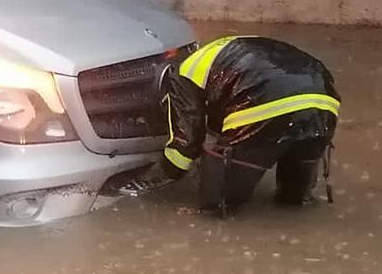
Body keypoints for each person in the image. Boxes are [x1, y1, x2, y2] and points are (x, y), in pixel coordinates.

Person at [129, 35, 341, 214]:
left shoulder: (181, 74)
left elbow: (186, 144)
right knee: (294, 201)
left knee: (217, 205)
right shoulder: (220, 52)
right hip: (323, 102)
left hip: (264, 102)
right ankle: (297, 202)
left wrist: (150, 181)